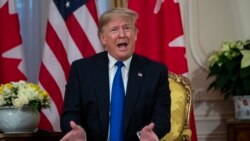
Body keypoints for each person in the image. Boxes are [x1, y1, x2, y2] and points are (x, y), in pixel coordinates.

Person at [60, 7, 171, 141]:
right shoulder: (82, 70)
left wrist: (151, 133)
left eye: (127, 28)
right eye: (114, 29)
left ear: (135, 34)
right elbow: (70, 114)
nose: (122, 34)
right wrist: (80, 133)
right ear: (103, 39)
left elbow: (162, 117)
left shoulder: (155, 71)